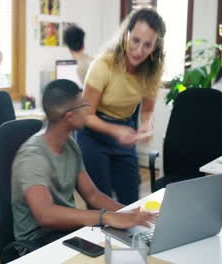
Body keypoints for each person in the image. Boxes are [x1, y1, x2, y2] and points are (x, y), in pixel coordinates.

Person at [11, 79, 156, 251]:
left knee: (128, 250)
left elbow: (93, 195)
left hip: (67, 233)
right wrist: (107, 217)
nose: (88, 111)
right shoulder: (33, 156)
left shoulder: (70, 145)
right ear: (70, 116)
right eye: (84, 106)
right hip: (38, 244)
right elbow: (45, 214)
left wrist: (130, 213)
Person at [76, 9, 166, 205]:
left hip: (123, 133)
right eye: (135, 40)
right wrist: (116, 130)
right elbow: (85, 115)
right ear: (126, 35)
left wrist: (146, 125)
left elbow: (147, 110)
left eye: (147, 45)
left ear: (154, 47)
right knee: (101, 204)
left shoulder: (151, 72)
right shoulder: (103, 66)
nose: (139, 50)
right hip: (93, 134)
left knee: (130, 202)